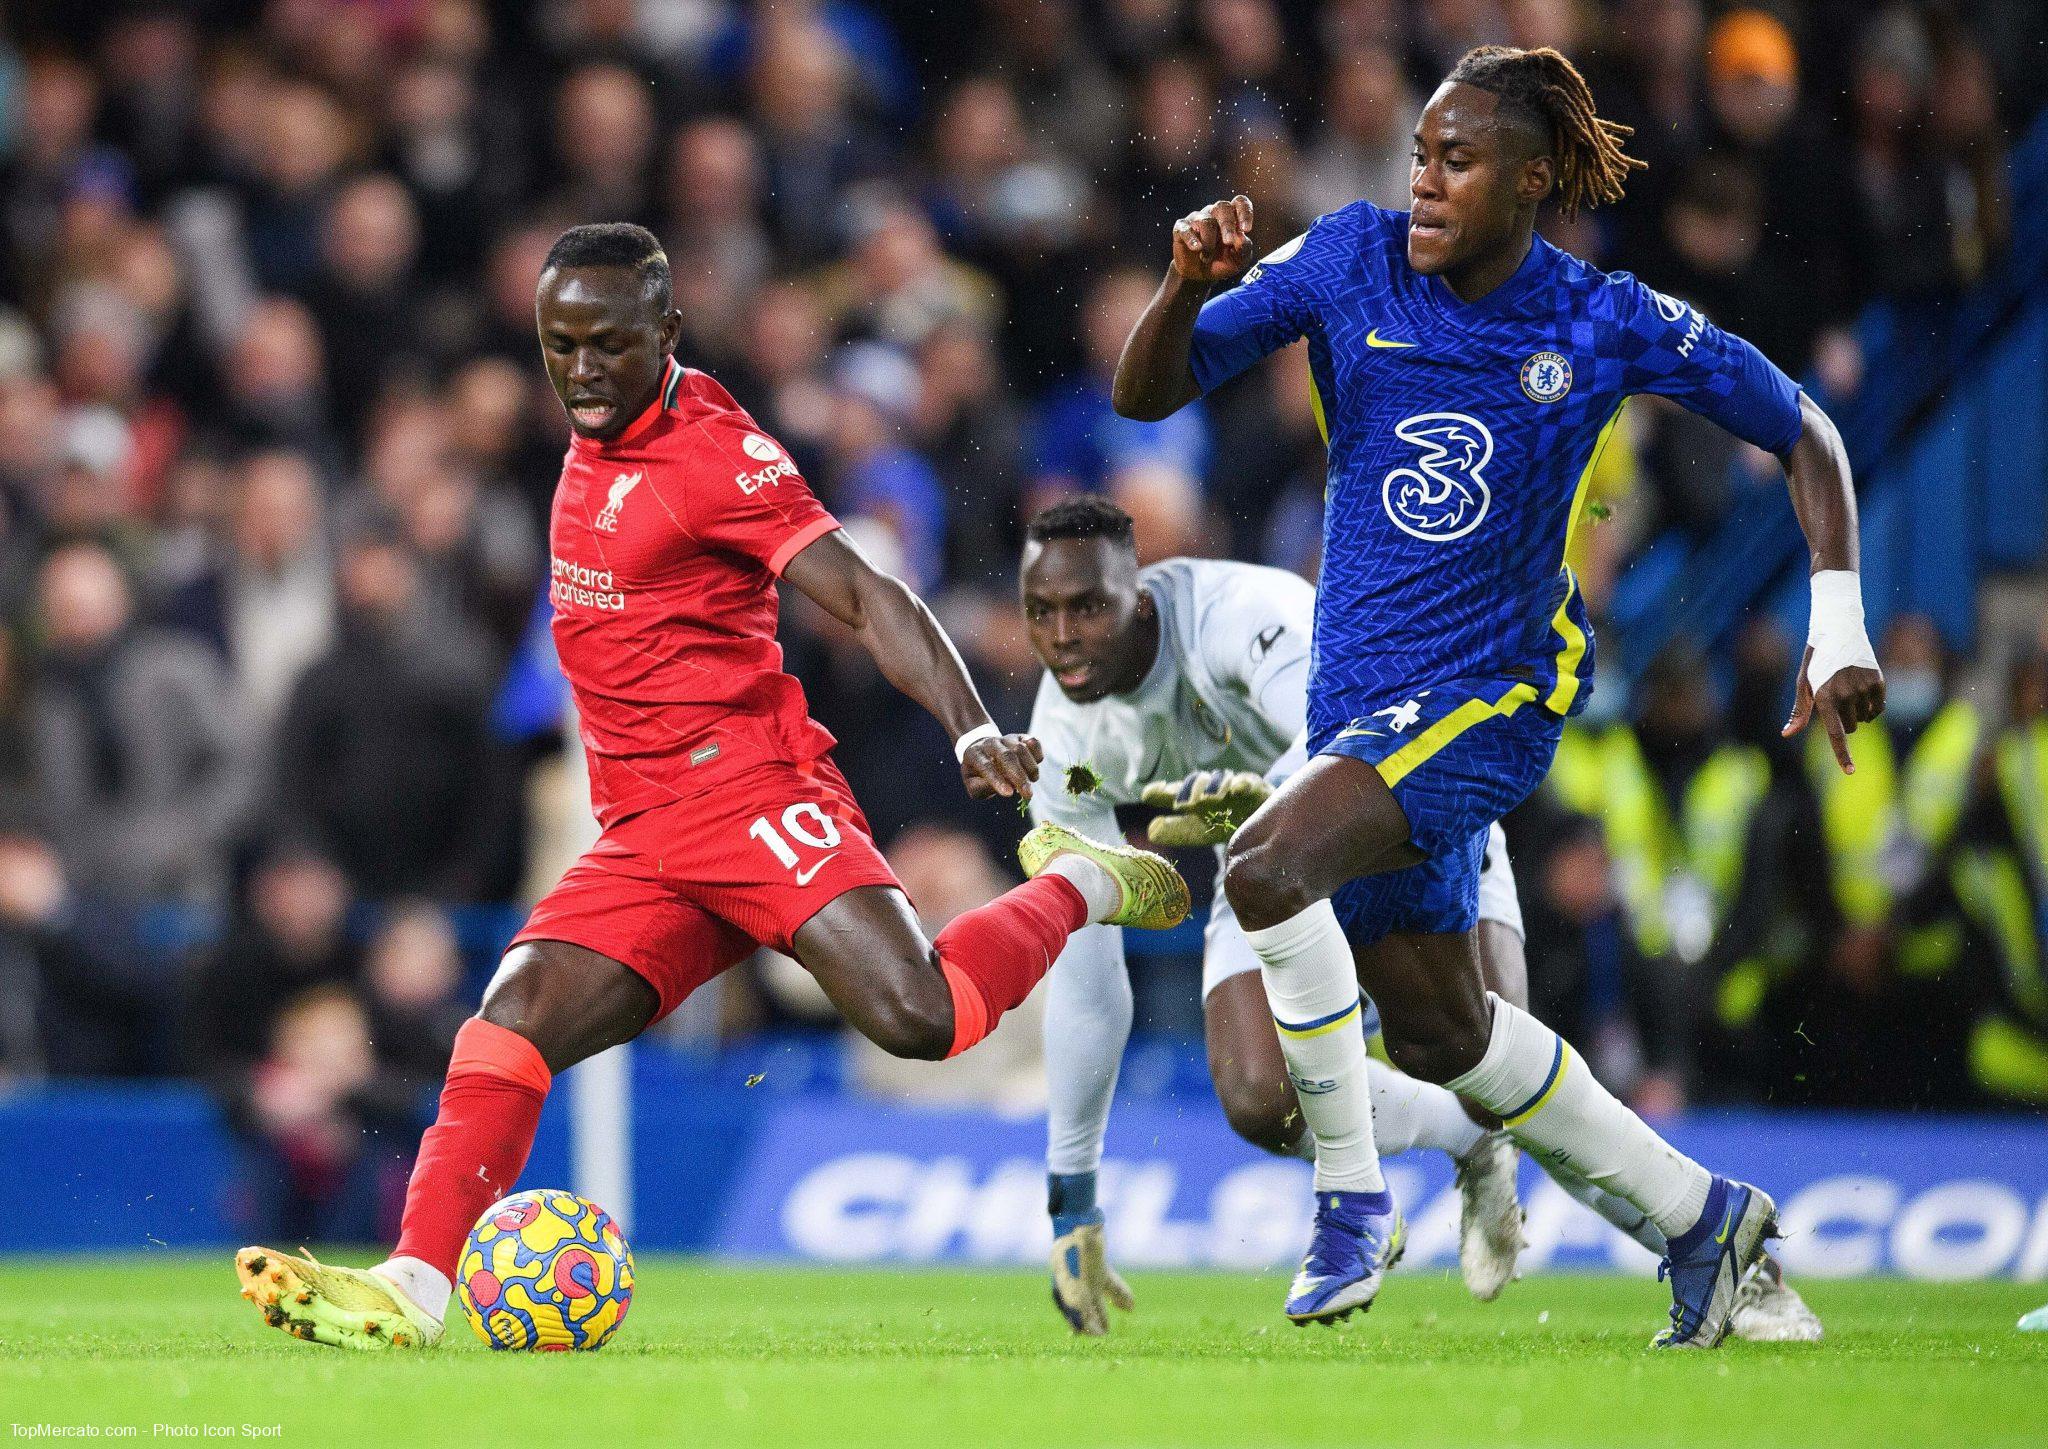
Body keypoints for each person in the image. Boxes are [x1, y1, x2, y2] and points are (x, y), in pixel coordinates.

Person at [234, 223, 1189, 1351]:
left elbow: (869, 593)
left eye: (604, 345)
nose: (580, 371)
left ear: (666, 335)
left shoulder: (714, 454)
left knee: (919, 1018)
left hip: (747, 793)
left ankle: (1082, 882)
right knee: (507, 1021)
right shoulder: (593, 436)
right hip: (643, 833)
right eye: (558, 345)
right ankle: (416, 1286)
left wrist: (972, 722)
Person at [1112, 46, 1883, 1345]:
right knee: (1448, 1035)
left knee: (1262, 866)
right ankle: (1708, 1225)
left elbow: (1806, 432)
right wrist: (1183, 288)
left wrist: (1839, 616)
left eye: (1456, 162)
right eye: (1419, 155)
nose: (1423, 182)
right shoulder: (1348, 258)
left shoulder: (1597, 317)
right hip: (1358, 707)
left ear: (1534, 182)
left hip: (1492, 697)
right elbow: (1146, 392)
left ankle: (1352, 1201)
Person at [1022, 496, 1818, 1342]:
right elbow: (1086, 967)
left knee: (1494, 1078)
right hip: (1266, 867)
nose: (1064, 635)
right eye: (1041, 612)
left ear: (1138, 599)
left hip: (1409, 819)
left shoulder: (1243, 617)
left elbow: (1344, 750)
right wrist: (1071, 1196)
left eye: (1087, 607)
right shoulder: (1061, 741)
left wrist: (1264, 805)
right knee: (1260, 1097)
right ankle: (1462, 1149)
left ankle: (1740, 1268)